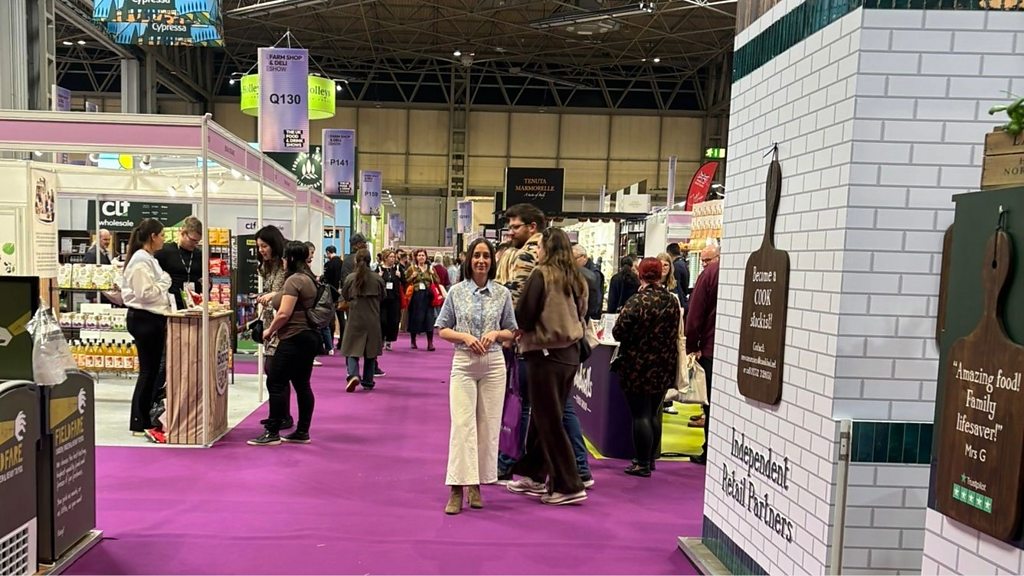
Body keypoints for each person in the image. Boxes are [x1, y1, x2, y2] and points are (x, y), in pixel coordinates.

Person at [496, 204, 593, 488]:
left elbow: (524, 313)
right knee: (550, 414)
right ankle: (538, 474)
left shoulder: (541, 273)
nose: (535, 250)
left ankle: (569, 482)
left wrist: (510, 332)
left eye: (539, 247)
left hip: (544, 353)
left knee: (548, 419)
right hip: (569, 353)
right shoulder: (577, 278)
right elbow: (583, 312)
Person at [435, 238, 517, 514]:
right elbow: (442, 328)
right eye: (477, 256)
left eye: (486, 256)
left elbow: (512, 331)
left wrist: (495, 333)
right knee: (462, 425)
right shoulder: (456, 292)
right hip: (464, 363)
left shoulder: (502, 294)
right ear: (469, 260)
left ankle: (476, 484)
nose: (481, 260)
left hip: (494, 364)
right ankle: (456, 488)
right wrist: (465, 337)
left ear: (492, 261)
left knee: (487, 427)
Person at [612, 258, 680, 477]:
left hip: (638, 365)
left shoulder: (637, 301)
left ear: (640, 275)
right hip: (664, 364)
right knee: (653, 413)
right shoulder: (671, 300)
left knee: (640, 415)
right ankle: (650, 459)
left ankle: (641, 463)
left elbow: (618, 332)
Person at [248, 241, 320, 446]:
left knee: (276, 382)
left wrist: (269, 331)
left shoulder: (294, 280)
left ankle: (272, 430)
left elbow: (284, 313)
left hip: (293, 337)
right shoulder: (309, 278)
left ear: (290, 258)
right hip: (308, 337)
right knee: (302, 384)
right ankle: (302, 431)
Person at [121, 218, 172, 444]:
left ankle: (145, 418)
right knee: (148, 372)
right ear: (153, 236)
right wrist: (164, 282)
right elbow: (145, 293)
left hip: (152, 318)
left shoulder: (149, 259)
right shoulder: (140, 261)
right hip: (144, 318)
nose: (164, 240)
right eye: (162, 235)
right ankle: (139, 420)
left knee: (151, 372)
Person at [254, 225, 292, 431]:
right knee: (274, 373)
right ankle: (280, 415)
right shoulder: (267, 266)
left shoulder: (285, 266)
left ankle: (280, 417)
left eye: (264, 246)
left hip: (282, 325)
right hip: (271, 323)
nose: (261, 250)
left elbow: (286, 294)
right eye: (259, 246)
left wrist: (272, 296)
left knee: (275, 372)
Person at [685, 244, 719, 465]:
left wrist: (691, 345)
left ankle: (709, 451)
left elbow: (695, 314)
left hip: (709, 348)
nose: (704, 264)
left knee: (710, 403)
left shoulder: (709, 275)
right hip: (733, 350)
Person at [341, 249, 385, 392]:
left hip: (355, 317)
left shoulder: (350, 278)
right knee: (370, 351)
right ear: (370, 260)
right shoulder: (377, 278)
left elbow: (344, 295)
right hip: (372, 317)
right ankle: (368, 380)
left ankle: (353, 374)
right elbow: (383, 296)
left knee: (351, 348)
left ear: (356, 260)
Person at [155, 217, 204, 310]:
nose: (195, 244)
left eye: (197, 241)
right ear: (182, 233)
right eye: (192, 240)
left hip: (194, 307)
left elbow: (204, 280)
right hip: (170, 306)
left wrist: (208, 284)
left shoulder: (199, 255)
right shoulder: (164, 252)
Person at [406, 249, 440, 351]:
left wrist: (432, 274)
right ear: (416, 257)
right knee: (415, 318)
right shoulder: (412, 268)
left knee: (429, 318)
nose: (421, 257)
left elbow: (438, 281)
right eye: (419, 255)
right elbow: (406, 281)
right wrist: (412, 277)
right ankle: (413, 340)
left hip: (428, 295)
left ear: (426, 257)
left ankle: (430, 343)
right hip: (416, 296)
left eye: (423, 255)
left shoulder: (431, 268)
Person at [338, 233, 368, 348]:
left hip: (355, 297)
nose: (365, 245)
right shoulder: (351, 260)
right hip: (355, 297)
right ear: (356, 245)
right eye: (363, 243)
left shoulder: (348, 259)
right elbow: (346, 280)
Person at [378, 249, 403, 352]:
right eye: (390, 257)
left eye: (394, 257)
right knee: (383, 320)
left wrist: (400, 276)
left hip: (394, 299)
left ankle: (389, 340)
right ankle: (382, 338)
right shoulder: (379, 269)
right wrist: (378, 277)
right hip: (383, 300)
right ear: (385, 258)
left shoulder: (397, 269)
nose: (392, 259)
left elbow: (405, 282)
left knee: (394, 321)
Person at [322, 244, 344, 350]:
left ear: (328, 252)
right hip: (341, 294)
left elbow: (326, 280)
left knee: (330, 319)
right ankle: (342, 342)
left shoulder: (328, 264)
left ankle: (329, 343)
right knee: (341, 318)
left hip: (330, 293)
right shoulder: (342, 263)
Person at [573, 244, 602, 321]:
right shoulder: (578, 272)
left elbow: (596, 298)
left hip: (589, 317)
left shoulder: (593, 274)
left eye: (575, 258)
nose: (572, 262)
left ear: (584, 257)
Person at [666, 242, 690, 310]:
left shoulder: (675, 267)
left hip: (680, 303)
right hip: (684, 300)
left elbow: (677, 288)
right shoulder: (684, 264)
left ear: (669, 253)